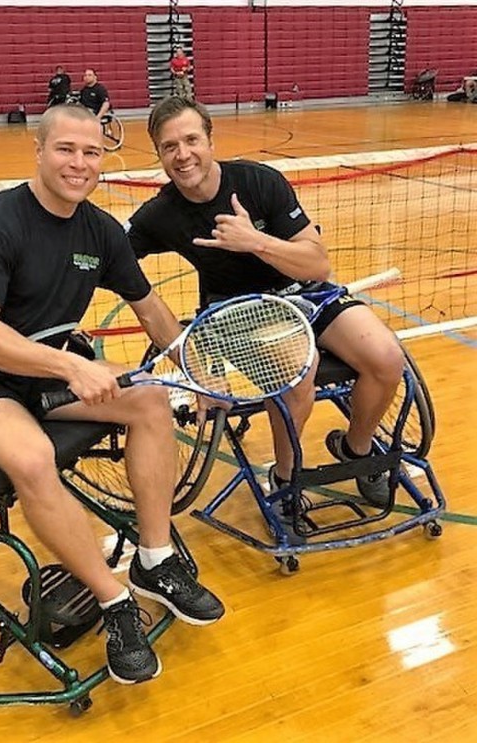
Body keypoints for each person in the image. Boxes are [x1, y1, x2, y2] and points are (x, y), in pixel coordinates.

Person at [0, 104, 224, 686]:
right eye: (65, 149)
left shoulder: (100, 231)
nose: (78, 163)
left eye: (91, 153)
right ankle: (114, 602)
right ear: (38, 151)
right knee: (33, 458)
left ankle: (155, 560)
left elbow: (150, 306)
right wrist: (69, 365)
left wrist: (195, 369)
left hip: (42, 374)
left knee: (152, 402)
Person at [126, 97, 405, 516]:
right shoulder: (160, 214)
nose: (183, 155)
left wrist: (254, 241)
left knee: (386, 357)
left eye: (191, 140)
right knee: (298, 371)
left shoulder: (260, 183)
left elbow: (317, 263)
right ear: (159, 155)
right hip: (236, 312)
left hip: (304, 293)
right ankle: (286, 475)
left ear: (210, 140)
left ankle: (357, 450)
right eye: (170, 147)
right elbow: (114, 256)